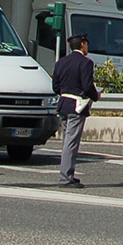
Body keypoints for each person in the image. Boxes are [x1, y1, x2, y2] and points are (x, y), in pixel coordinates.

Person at [52, 33, 98, 188]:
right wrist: (95, 96)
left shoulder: (61, 62)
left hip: (63, 103)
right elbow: (87, 86)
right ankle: (65, 177)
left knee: (67, 141)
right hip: (77, 105)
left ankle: (68, 173)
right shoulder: (85, 63)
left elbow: (55, 87)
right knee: (71, 143)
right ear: (82, 44)